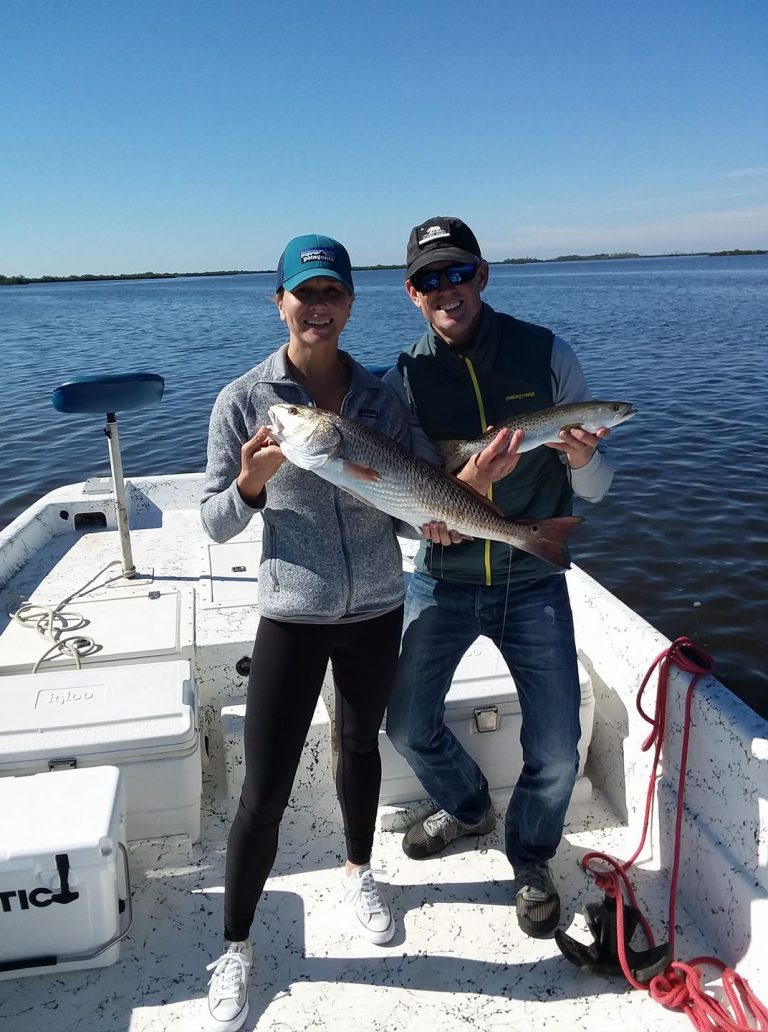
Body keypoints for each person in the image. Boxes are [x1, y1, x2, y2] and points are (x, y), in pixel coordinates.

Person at [384, 216, 616, 940]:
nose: (447, 289)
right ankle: (467, 805)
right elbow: (396, 498)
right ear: (412, 293)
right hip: (443, 577)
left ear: (483, 275)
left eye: (458, 272)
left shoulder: (547, 354)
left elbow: (599, 491)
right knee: (405, 723)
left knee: (553, 749)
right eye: (430, 278)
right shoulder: (403, 378)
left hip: (532, 576)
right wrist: (425, 520)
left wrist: (580, 459)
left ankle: (531, 857)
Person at [200, 235, 410, 1032]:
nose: (318, 308)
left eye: (333, 294)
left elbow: (421, 484)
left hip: (378, 606)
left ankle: (359, 871)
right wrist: (252, 484)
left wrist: (460, 507)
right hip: (292, 610)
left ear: (351, 304)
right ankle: (236, 944)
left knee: (361, 748)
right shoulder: (244, 401)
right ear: (278, 302)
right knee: (265, 790)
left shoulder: (385, 399)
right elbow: (214, 521)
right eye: (303, 294)